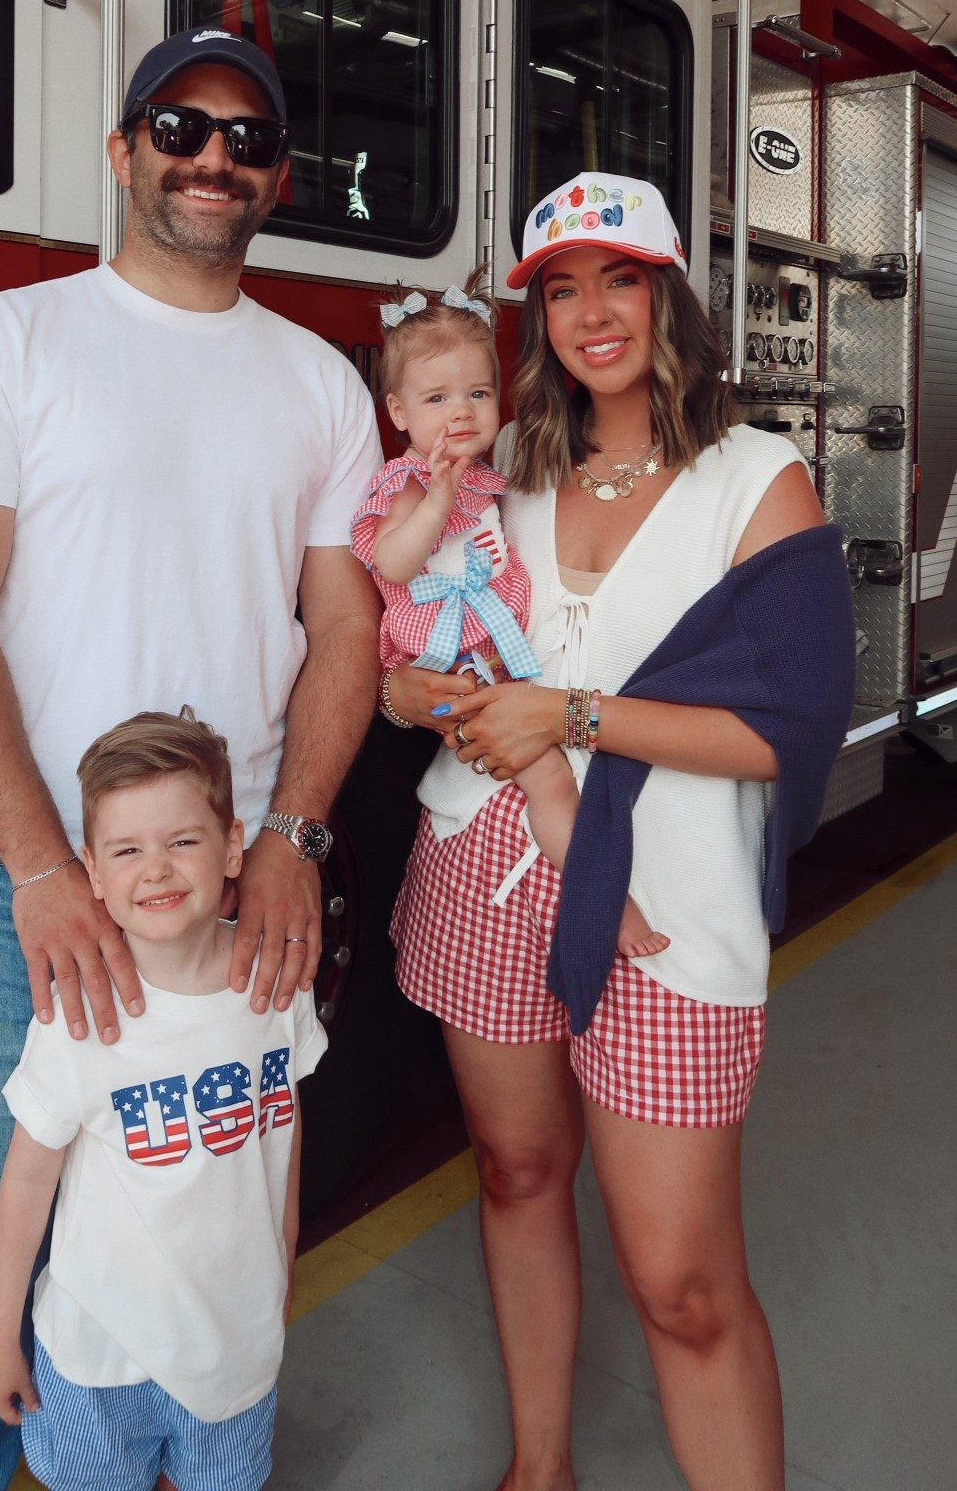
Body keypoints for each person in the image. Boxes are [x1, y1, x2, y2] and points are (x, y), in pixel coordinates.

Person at [0, 28, 382, 1491]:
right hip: (23, 901)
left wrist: (289, 837)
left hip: (224, 909)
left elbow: (340, 628)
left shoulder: (318, 388)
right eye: (178, 127)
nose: (211, 156)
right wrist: (41, 867)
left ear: (274, 179)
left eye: (245, 137)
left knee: (207, 1241)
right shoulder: (9, 341)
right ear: (121, 152)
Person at [382, 173, 852, 1491]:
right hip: (481, 864)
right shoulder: (502, 473)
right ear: (535, 316)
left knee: (685, 1288)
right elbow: (414, 652)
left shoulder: (753, 478)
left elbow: (788, 728)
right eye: (561, 289)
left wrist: (568, 714)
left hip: (664, 904)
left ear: (667, 294)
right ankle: (539, 1469)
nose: (592, 314)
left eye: (620, 280)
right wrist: (405, 692)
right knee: (515, 1169)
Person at [0, 709, 324, 1491]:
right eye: (127, 850)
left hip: (234, 1344)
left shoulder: (273, 987)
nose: (157, 870)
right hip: (97, 1359)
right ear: (93, 874)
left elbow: (284, 1138)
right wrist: (3, 1337)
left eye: (183, 842)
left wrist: (284, 1263)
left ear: (234, 846)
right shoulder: (78, 1018)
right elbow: (27, 1183)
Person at [352, 271, 665, 962]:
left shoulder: (491, 476)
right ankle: (606, 900)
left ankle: (596, 893)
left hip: (488, 658)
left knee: (551, 779)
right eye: (437, 399)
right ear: (399, 413)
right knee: (549, 779)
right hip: (449, 663)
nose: (460, 412)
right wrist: (435, 502)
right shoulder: (407, 484)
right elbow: (395, 563)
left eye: (478, 393)